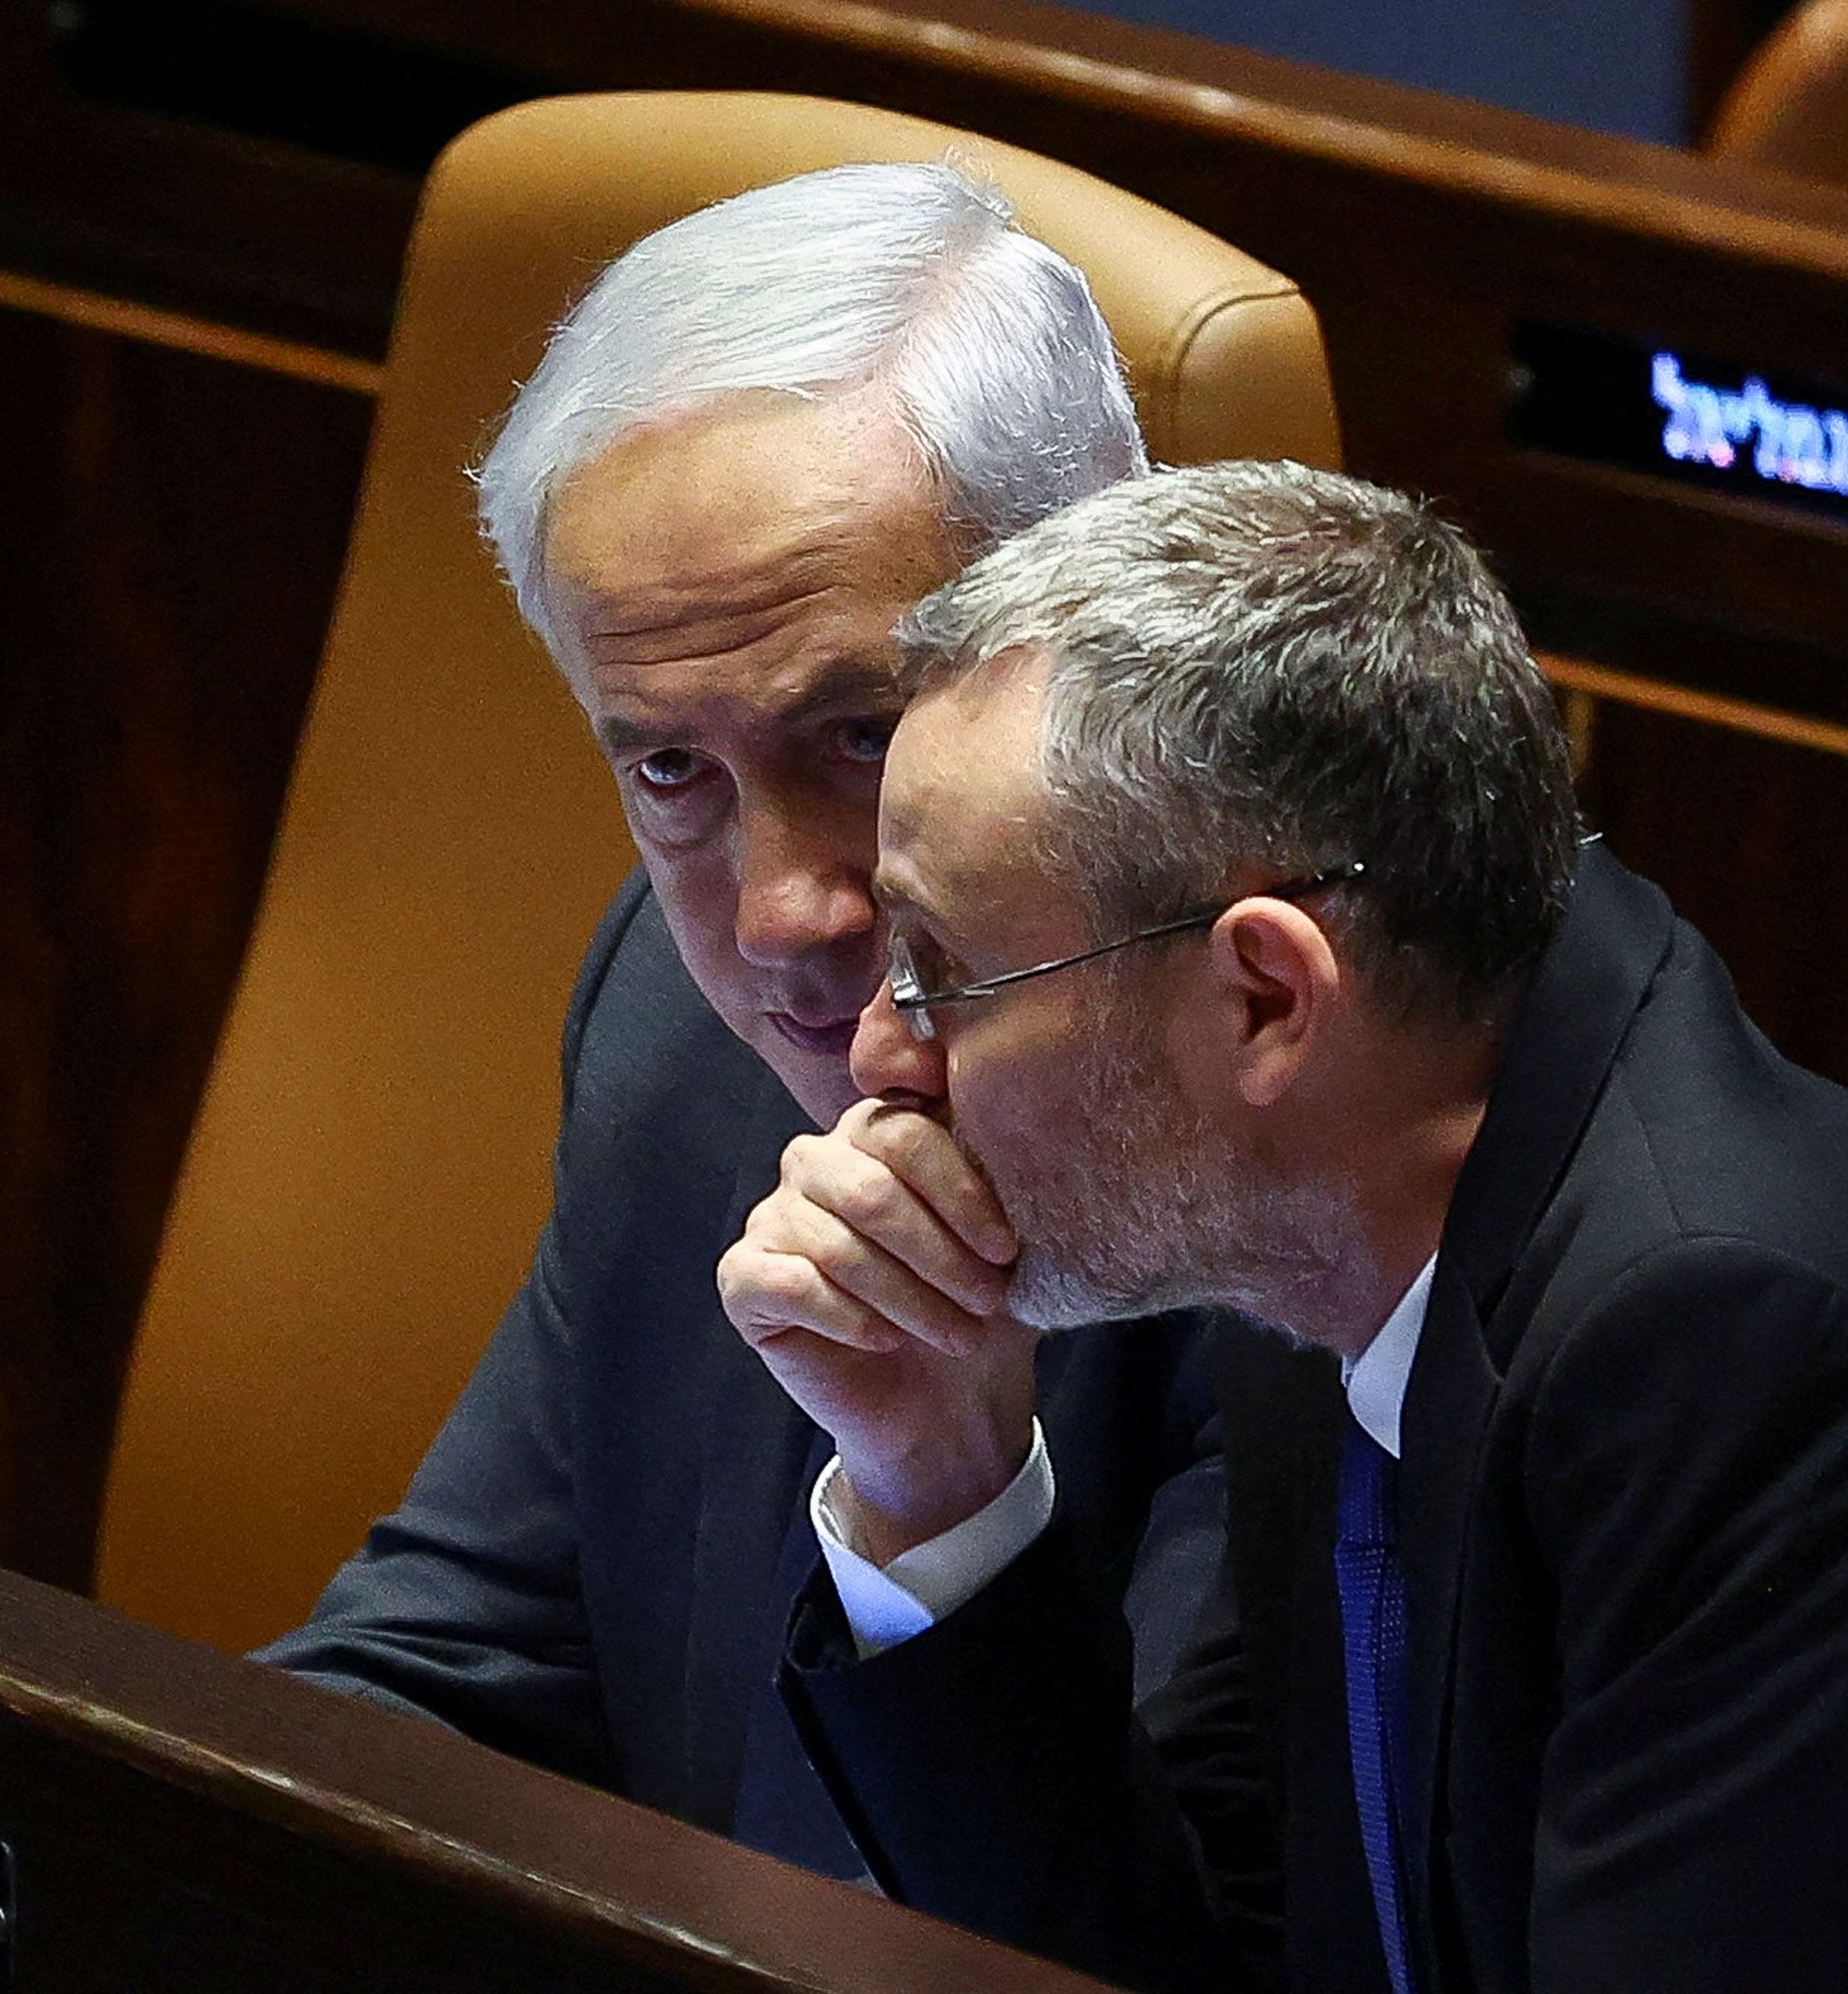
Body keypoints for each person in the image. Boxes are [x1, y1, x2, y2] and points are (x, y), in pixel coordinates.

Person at [728, 459, 1848, 1988]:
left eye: (941, 971)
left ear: (1268, 998)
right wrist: (937, 1477)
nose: (878, 1054)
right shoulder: (1340, 1243)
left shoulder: (1738, 1357)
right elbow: (1181, 1959)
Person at [254, 161, 1226, 1882]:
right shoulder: (679, 1024)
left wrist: (947, 1511)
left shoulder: (1313, 1161)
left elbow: (1185, 1945)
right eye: (671, 769)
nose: (786, 915)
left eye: (861, 731)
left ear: (1109, 629)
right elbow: (453, 1676)